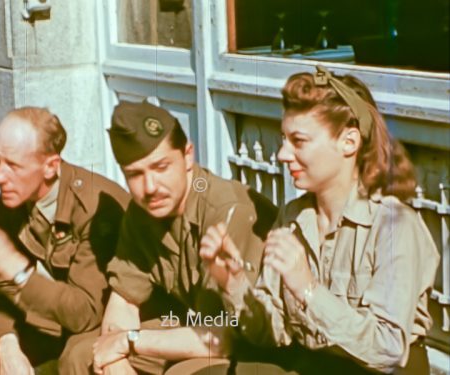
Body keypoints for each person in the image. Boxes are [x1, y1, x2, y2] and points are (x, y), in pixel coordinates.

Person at [200, 65, 440, 374]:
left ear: (349, 143)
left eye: (298, 141)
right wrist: (233, 282)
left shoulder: (395, 226)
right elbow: (274, 334)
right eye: (284, 139)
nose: (283, 154)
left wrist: (308, 289)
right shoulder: (293, 216)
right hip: (314, 365)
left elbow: (388, 349)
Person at [83, 100, 277, 374]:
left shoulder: (226, 209)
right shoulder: (142, 212)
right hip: (192, 326)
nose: (150, 187)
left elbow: (222, 337)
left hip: (249, 345)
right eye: (135, 175)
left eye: (161, 167)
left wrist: (128, 341)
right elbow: (124, 299)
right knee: (83, 355)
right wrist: (114, 360)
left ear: (187, 156)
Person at [0, 107, 130, 375]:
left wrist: (19, 271)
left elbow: (85, 313)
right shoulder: (15, 198)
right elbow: (3, 287)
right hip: (60, 313)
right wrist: (7, 344)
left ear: (51, 166)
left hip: (108, 322)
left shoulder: (94, 208)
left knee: (77, 354)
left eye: (13, 165)